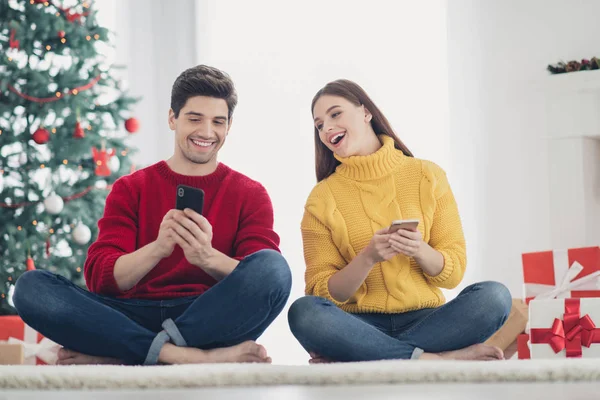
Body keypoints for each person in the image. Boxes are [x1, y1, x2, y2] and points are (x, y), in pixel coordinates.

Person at [14, 65, 292, 365]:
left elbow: (262, 277)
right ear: (172, 118)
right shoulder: (131, 188)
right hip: (132, 313)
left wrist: (207, 257)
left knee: (275, 268)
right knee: (31, 288)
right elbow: (100, 279)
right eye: (194, 118)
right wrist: (158, 249)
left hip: (207, 317)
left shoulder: (250, 193)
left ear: (229, 126)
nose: (207, 132)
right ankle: (184, 356)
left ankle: (127, 354)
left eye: (218, 122)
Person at [288, 79, 511, 363]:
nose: (327, 128)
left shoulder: (427, 175)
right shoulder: (322, 197)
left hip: (429, 322)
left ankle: (368, 357)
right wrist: (367, 258)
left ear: (366, 112)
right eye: (319, 124)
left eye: (335, 114)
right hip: (360, 324)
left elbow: (453, 272)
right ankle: (436, 360)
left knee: (495, 297)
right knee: (305, 312)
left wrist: (419, 250)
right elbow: (323, 291)